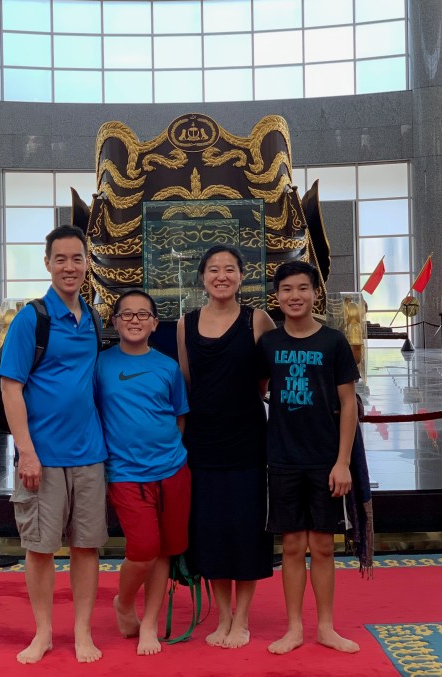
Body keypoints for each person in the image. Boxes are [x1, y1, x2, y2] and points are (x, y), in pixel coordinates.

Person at [0, 224, 108, 665]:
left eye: (77, 258)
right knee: (40, 547)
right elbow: (10, 387)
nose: (69, 267)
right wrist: (26, 451)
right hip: (42, 456)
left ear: (87, 263)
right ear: (47, 263)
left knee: (86, 546)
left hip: (90, 453)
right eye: (60, 259)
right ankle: (43, 632)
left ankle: (82, 630)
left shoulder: (93, 318)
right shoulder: (32, 319)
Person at [258, 261, 360, 656]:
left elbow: (348, 403)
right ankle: (294, 628)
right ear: (277, 296)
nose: (295, 296)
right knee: (291, 546)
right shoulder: (269, 343)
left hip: (324, 460)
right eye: (286, 289)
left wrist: (342, 461)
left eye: (302, 288)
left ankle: (326, 627)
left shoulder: (333, 341)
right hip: (282, 459)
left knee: (322, 546)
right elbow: (258, 391)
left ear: (315, 293)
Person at [176, 245, 275, 649]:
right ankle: (223, 615)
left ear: (241, 276)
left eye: (229, 269)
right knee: (211, 529)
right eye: (214, 269)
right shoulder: (186, 323)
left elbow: (265, 379)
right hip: (202, 441)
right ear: (202, 277)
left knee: (246, 528)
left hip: (247, 439)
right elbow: (187, 381)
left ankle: (243, 618)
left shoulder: (258, 319)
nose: (222, 276)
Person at [95, 289, 191, 656]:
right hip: (125, 474)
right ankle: (123, 603)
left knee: (163, 551)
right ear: (115, 321)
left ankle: (149, 623)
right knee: (144, 549)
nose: (134, 320)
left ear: (154, 323)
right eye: (127, 314)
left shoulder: (168, 367)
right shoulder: (100, 365)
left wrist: (167, 454)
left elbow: (178, 416)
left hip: (172, 472)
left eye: (143, 315)